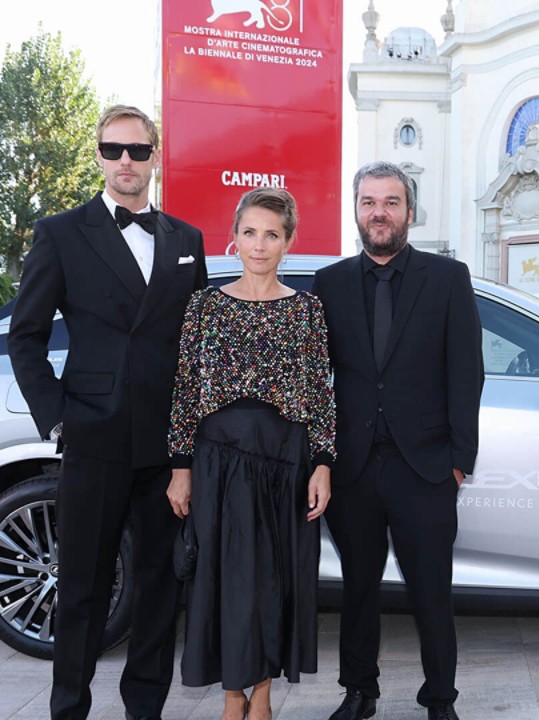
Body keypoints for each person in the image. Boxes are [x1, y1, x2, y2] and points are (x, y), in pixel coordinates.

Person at [7, 104, 208, 720]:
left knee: (157, 588)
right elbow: (26, 336)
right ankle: (69, 709)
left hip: (166, 450)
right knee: (84, 591)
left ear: (155, 157)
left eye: (139, 150)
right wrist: (58, 418)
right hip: (93, 440)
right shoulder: (61, 233)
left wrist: (191, 442)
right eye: (115, 149)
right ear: (98, 154)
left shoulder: (185, 239)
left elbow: (193, 344)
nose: (127, 161)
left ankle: (143, 710)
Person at [312, 162, 484, 720]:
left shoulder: (448, 278)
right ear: (356, 211)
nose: (379, 212)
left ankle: (440, 700)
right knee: (358, 589)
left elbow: (467, 373)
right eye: (368, 202)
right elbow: (317, 380)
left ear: (410, 211)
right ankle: (359, 693)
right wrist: (323, 461)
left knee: (431, 591)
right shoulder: (330, 283)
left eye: (390, 202)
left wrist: (460, 461)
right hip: (354, 468)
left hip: (426, 468)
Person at [166, 187, 334, 720]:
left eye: (272, 235)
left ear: (288, 242)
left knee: (271, 582)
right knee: (224, 580)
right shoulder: (205, 305)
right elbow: (186, 389)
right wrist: (181, 467)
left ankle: (259, 695)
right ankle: (232, 697)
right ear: (233, 238)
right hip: (217, 461)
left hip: (285, 461)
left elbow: (320, 392)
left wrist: (324, 464)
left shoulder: (307, 310)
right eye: (250, 232)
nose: (259, 245)